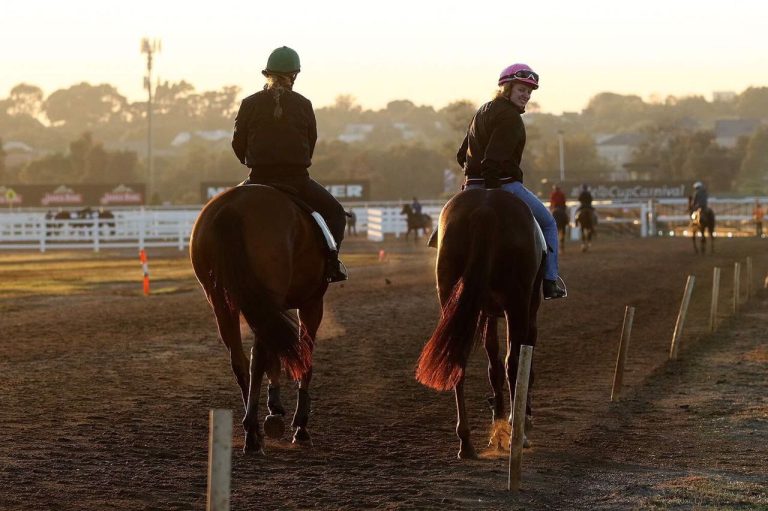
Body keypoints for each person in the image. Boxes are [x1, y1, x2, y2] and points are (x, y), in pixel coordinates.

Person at [232, 46, 347, 282]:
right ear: (294, 75)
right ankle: (331, 266)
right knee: (336, 214)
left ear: (267, 74)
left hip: (258, 179)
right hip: (297, 180)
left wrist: (252, 162)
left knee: (225, 214)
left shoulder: (249, 103)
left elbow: (237, 144)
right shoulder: (303, 104)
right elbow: (311, 142)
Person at [455, 63, 566, 299]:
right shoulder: (511, 118)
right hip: (503, 184)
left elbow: (460, 154)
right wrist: (493, 192)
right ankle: (550, 280)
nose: (525, 95)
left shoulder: (481, 111)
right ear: (506, 87)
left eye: (529, 92)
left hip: (471, 186)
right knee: (548, 224)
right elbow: (492, 162)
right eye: (521, 89)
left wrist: (472, 182)